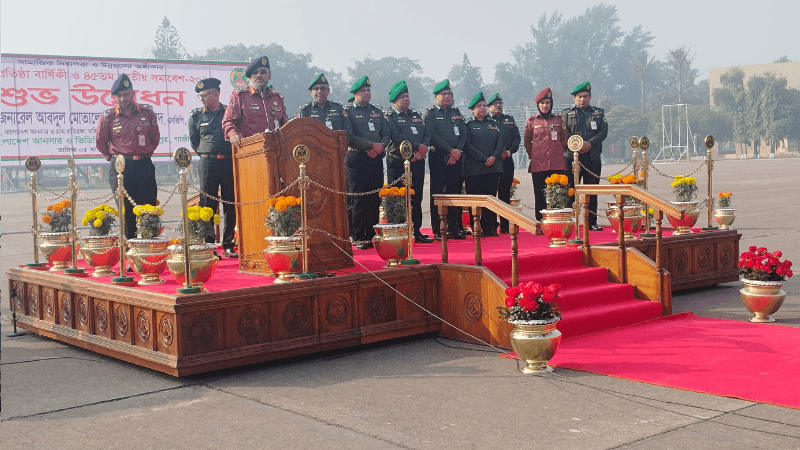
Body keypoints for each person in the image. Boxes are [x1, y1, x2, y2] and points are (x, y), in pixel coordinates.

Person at [95, 73, 160, 239]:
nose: (123, 98)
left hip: (144, 166)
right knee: (127, 214)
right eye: (119, 96)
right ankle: (130, 255)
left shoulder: (147, 113)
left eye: (126, 94)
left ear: (133, 93)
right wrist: (115, 159)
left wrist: (142, 154)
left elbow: (155, 138)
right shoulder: (108, 116)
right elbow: (101, 143)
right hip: (121, 170)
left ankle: (149, 253)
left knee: (148, 211)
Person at [188, 77, 238, 258]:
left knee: (230, 202)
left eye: (204, 95)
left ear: (215, 94)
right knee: (208, 203)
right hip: (208, 162)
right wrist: (205, 153)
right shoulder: (196, 116)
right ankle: (209, 245)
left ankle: (228, 244)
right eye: (199, 96)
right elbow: (195, 142)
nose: (201, 99)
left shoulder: (229, 112)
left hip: (228, 162)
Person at [384, 80, 434, 243]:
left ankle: (416, 230)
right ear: (394, 100)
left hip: (417, 162)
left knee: (416, 197)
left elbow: (427, 133)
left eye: (407, 96)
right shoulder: (389, 117)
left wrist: (423, 147)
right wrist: (416, 147)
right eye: (402, 97)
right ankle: (398, 231)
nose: (406, 99)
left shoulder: (415, 115)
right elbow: (396, 136)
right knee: (397, 197)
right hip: (398, 163)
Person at [344, 76, 389, 249]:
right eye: (363, 91)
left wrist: (379, 147)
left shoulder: (377, 112)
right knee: (358, 200)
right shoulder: (348, 113)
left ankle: (371, 234)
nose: (366, 93)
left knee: (374, 199)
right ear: (355, 93)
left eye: (368, 90)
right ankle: (358, 235)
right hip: (357, 160)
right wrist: (371, 146)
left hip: (375, 159)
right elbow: (349, 136)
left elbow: (386, 134)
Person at [422, 79, 467, 240]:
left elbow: (464, 134)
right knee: (438, 193)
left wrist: (457, 153)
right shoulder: (431, 114)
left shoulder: (456, 113)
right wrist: (450, 151)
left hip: (456, 158)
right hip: (439, 157)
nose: (446, 96)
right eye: (443, 94)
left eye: (448, 93)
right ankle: (438, 229)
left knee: (455, 192)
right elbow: (432, 135)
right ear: (436, 97)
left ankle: (454, 228)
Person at [562, 81, 608, 231]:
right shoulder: (566, 114)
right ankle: (569, 220)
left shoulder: (598, 113)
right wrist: (577, 144)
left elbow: (602, 132)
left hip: (592, 157)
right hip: (572, 157)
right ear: (574, 98)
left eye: (586, 96)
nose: (583, 99)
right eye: (579, 97)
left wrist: (589, 143)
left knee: (592, 190)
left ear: (590, 97)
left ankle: (591, 221)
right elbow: (565, 133)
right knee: (569, 190)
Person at [462, 91, 503, 236]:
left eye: (484, 106)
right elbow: (467, 145)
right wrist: (483, 158)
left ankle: (491, 226)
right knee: (476, 199)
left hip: (492, 167)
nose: (482, 108)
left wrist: (493, 157)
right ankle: (476, 227)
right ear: (472, 109)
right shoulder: (468, 125)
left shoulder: (493, 123)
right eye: (479, 106)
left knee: (491, 198)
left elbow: (500, 143)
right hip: (475, 169)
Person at [222, 56, 288, 146]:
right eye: (254, 72)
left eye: (263, 72)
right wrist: (234, 135)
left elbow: (285, 125)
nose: (258, 75)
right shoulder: (240, 96)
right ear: (250, 76)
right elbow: (228, 122)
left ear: (270, 75)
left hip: (276, 149)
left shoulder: (277, 98)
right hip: (251, 150)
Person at [524, 87, 568, 221]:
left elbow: (563, 140)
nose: (545, 106)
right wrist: (534, 155)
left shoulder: (559, 120)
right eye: (542, 103)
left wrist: (557, 152)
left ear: (551, 104)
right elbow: (527, 140)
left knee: (558, 194)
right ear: (538, 105)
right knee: (540, 194)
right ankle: (540, 221)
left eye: (547, 103)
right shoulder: (532, 121)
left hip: (557, 162)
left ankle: (557, 220)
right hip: (539, 163)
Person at [486, 93, 521, 233]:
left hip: (506, 160)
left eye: (500, 103)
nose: (498, 105)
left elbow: (516, 138)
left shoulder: (509, 120)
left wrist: (509, 151)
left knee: (505, 193)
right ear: (489, 107)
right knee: (491, 193)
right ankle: (491, 224)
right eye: (495, 103)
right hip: (492, 162)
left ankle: (505, 225)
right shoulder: (486, 121)